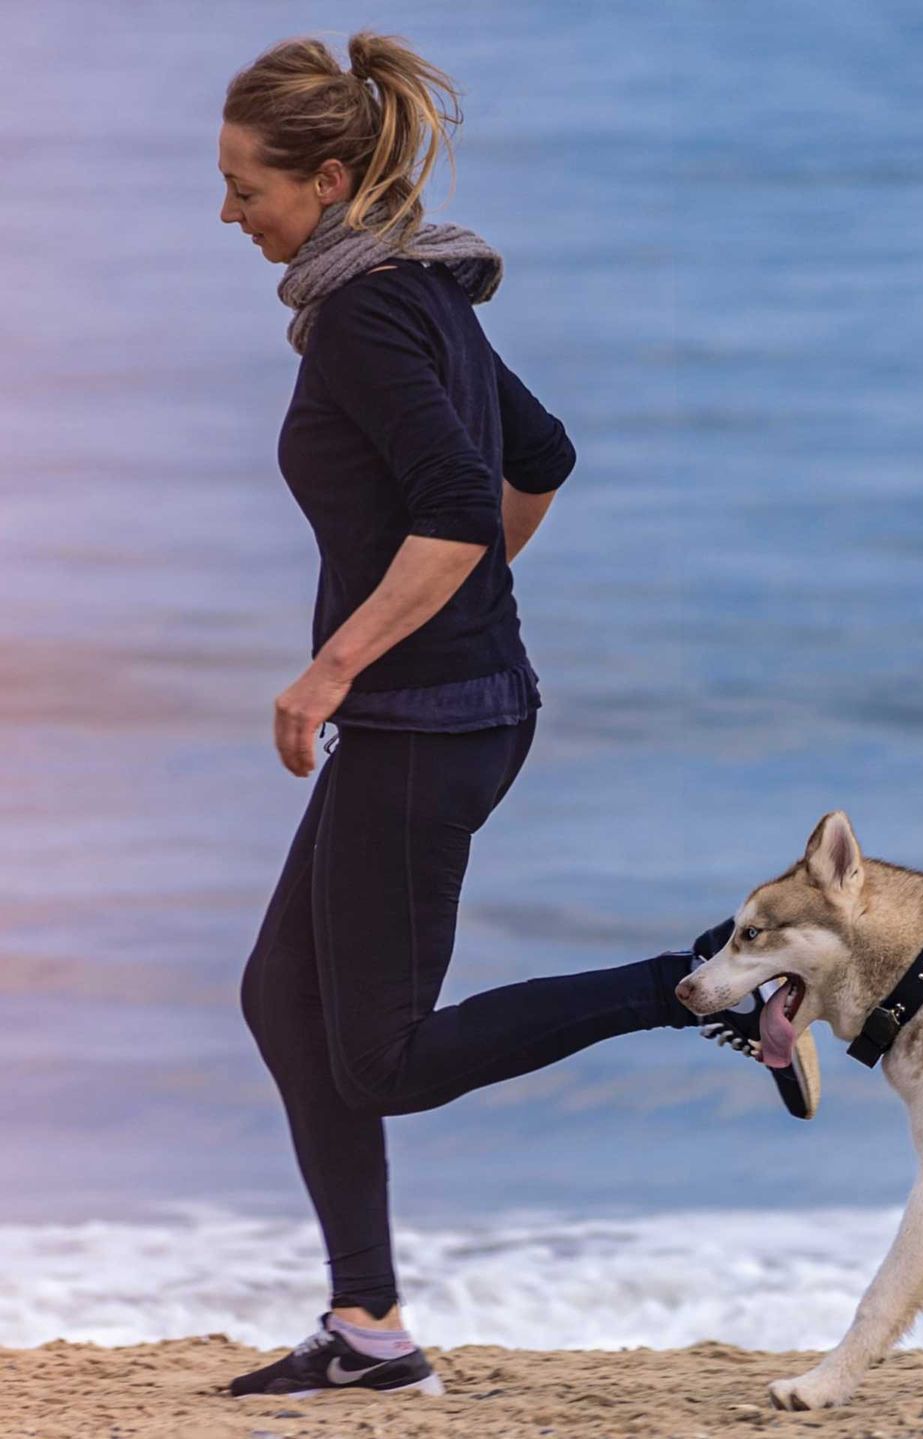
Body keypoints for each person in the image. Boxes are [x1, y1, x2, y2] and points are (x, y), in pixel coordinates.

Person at [217, 30, 819, 1400]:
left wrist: (340, 664)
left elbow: (451, 511)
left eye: (244, 185)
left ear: (320, 179)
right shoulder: (413, 289)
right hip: (453, 708)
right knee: (283, 999)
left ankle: (708, 984)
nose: (229, 212)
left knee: (382, 1062)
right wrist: (458, 610)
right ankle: (367, 1329)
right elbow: (534, 463)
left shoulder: (376, 312)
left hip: (432, 728)